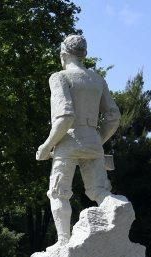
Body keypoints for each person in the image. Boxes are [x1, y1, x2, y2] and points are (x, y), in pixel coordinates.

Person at [35, 34, 121, 245]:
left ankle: (63, 242)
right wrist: (97, 140)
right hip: (92, 139)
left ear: (63, 54)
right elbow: (113, 117)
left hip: (68, 142)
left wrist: (47, 146)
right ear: (84, 54)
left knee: (58, 194)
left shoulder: (60, 77)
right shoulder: (97, 79)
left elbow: (65, 117)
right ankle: (119, 209)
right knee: (99, 191)